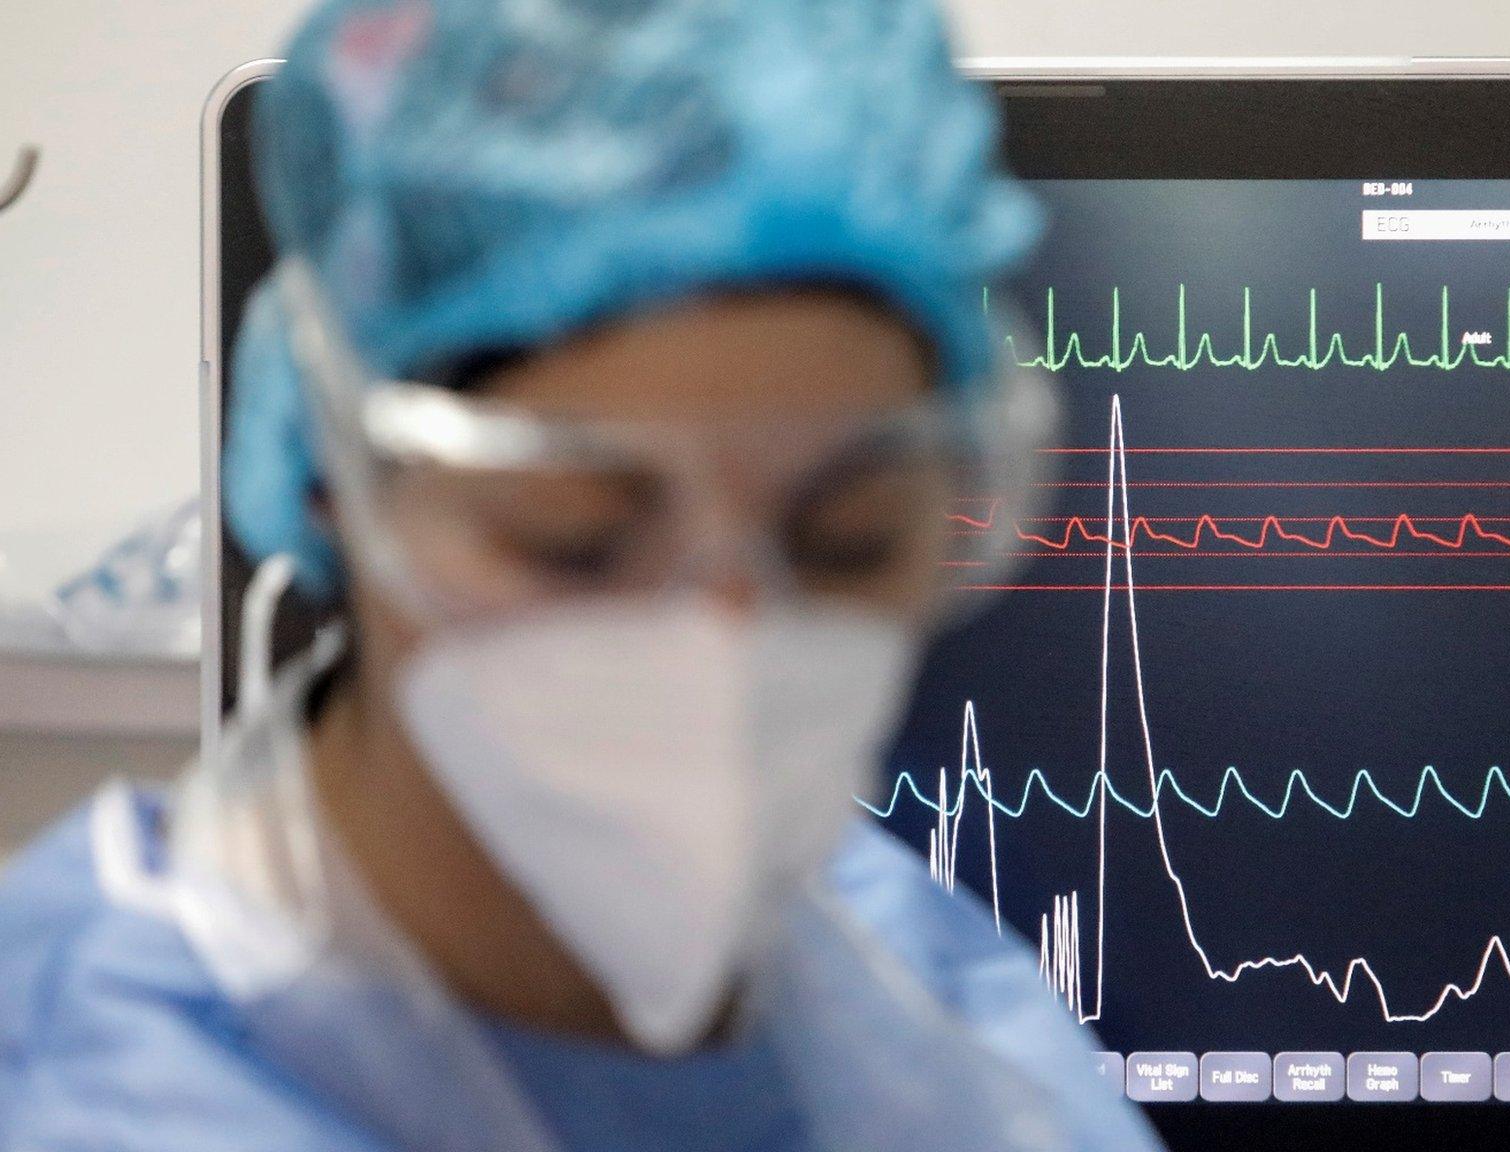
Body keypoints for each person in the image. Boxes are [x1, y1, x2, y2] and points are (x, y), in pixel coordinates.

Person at [0, 1, 1165, 1149]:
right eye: (576, 540)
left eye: (844, 539)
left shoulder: (921, 1004)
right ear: (334, 476)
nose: (725, 652)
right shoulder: (93, 1092)